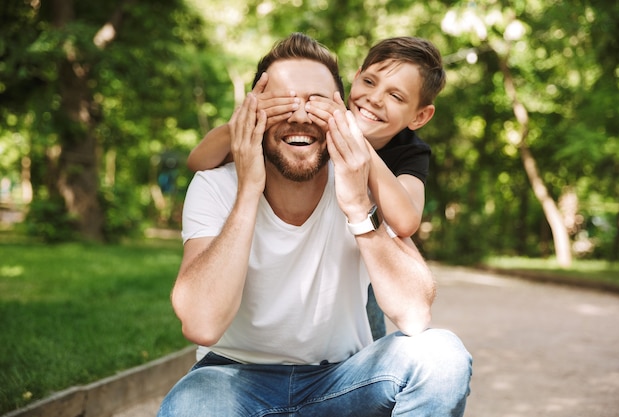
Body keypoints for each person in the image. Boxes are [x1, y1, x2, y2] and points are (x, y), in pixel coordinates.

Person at [158, 33, 471, 416]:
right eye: (282, 103)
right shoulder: (217, 184)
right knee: (193, 405)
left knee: (441, 356)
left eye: (316, 103)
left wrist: (358, 207)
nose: (300, 115)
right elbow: (201, 324)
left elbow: (416, 315)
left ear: (338, 114)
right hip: (232, 379)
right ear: (255, 111)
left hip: (343, 380)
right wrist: (248, 191)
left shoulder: (365, 178)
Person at [186, 36, 445, 340]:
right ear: (357, 76)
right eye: (370, 82)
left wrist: (355, 145)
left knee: (370, 319)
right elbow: (198, 161)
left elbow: (406, 221)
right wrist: (244, 121)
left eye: (396, 96)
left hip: (369, 246)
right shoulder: (291, 138)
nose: (374, 98)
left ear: (420, 116)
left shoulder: (408, 152)